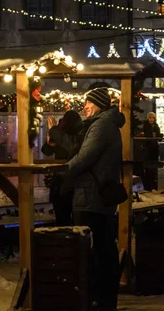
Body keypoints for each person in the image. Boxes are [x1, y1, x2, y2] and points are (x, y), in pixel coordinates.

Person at [64, 87, 123, 311]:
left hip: (91, 195)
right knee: (103, 246)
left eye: (88, 103)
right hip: (97, 194)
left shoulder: (101, 125)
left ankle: (101, 297)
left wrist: (64, 170)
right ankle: (103, 297)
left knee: (96, 248)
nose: (85, 107)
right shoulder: (106, 124)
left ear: (98, 104)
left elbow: (86, 156)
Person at [41, 111, 83, 226]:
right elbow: (46, 150)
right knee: (62, 213)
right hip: (60, 179)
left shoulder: (76, 135)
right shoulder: (60, 132)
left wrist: (54, 131)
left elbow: (71, 147)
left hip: (70, 178)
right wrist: (50, 144)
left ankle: (68, 236)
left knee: (67, 214)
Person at [139, 112, 161, 191]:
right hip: (148, 148)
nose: (151, 119)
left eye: (153, 117)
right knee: (148, 167)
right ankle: (148, 186)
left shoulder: (156, 126)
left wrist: (159, 136)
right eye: (150, 117)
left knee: (154, 167)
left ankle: (154, 185)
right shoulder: (146, 125)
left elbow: (158, 136)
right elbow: (146, 135)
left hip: (154, 148)